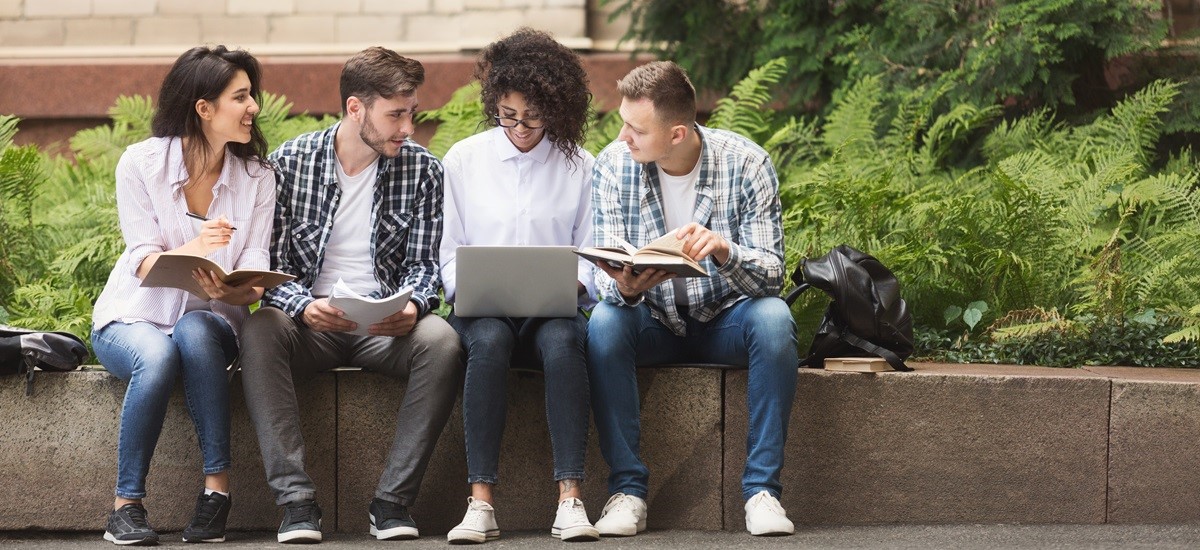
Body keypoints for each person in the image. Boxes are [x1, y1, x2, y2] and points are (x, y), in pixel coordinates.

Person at [238, 46, 462, 544]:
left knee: (442, 340)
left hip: (384, 329)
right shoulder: (291, 163)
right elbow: (270, 263)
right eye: (396, 115)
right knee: (260, 328)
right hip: (309, 327)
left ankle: (392, 501)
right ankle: (296, 503)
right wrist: (303, 306)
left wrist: (413, 306)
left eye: (412, 113)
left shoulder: (423, 170)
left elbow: (426, 265)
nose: (408, 128)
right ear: (355, 109)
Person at [586, 61, 799, 537]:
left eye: (636, 129)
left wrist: (726, 251)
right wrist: (624, 286)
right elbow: (601, 273)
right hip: (652, 321)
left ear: (678, 132)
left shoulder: (747, 163)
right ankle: (627, 492)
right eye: (623, 122)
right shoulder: (612, 165)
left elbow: (772, 275)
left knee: (773, 319)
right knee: (602, 323)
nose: (623, 136)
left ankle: (762, 492)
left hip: (725, 318)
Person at [90, 45, 275, 545]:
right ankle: (125, 509)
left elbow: (253, 274)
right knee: (158, 353)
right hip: (135, 316)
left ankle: (216, 494)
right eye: (241, 97)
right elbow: (144, 259)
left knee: (193, 331)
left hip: (211, 320)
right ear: (204, 108)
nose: (254, 106)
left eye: (252, 95)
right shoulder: (141, 164)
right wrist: (197, 248)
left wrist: (241, 290)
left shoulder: (257, 177)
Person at [438, 28, 599, 544]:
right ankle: (480, 502)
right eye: (509, 115)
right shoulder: (465, 160)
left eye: (533, 116)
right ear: (494, 106)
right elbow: (447, 249)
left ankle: (570, 498)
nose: (522, 127)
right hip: (482, 308)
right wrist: (466, 287)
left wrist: (573, 285)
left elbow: (593, 252)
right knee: (487, 343)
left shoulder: (580, 164)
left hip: (554, 308)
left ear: (558, 108)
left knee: (564, 341)